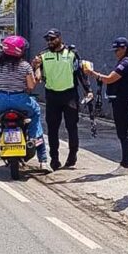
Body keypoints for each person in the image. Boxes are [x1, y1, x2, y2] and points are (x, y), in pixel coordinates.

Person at [0, 35, 51, 172]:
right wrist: (36, 70)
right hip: (21, 100)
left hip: (1, 100)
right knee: (35, 113)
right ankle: (43, 159)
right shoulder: (25, 66)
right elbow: (30, 86)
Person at [32, 28, 92, 170]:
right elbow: (37, 73)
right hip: (52, 96)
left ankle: (72, 155)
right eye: (48, 39)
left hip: (69, 95)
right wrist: (36, 66)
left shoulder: (72, 54)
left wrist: (88, 90)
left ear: (59, 38)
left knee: (72, 126)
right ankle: (54, 158)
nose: (50, 42)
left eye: (52, 39)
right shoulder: (43, 55)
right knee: (52, 129)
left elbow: (80, 74)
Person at [85, 37, 128, 175]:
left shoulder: (126, 63)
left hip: (122, 100)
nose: (116, 53)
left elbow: (109, 79)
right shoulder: (125, 61)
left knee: (123, 132)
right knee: (122, 132)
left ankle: (126, 165)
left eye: (117, 50)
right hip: (120, 99)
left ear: (124, 48)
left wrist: (92, 73)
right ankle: (127, 164)